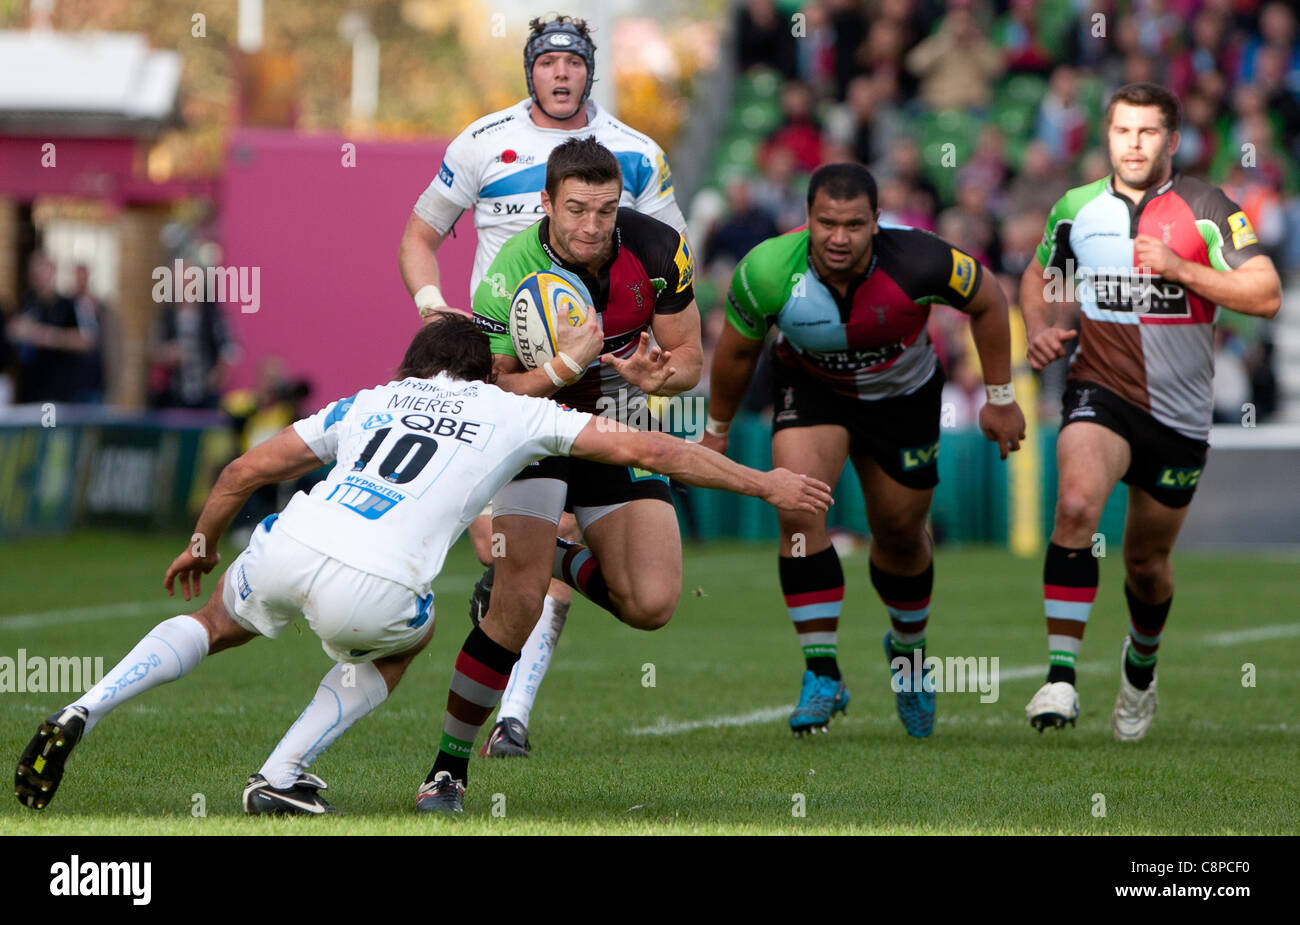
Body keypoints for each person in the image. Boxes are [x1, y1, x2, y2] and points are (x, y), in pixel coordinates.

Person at [15, 312, 830, 814]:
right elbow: (649, 445)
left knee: (214, 619)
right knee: (411, 639)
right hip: (375, 583)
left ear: (414, 365)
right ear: (482, 371)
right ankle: (280, 770)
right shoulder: (511, 408)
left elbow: (241, 473)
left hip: (295, 539)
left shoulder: (368, 398)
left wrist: (201, 540)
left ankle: (83, 706)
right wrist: (762, 482)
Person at [398, 14, 688, 756]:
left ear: (590, 71)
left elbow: (663, 266)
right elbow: (418, 236)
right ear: (530, 70)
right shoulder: (479, 142)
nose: (560, 75)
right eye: (547, 63)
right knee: (513, 576)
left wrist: (657, 365)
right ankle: (492, 731)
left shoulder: (638, 154)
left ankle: (515, 709)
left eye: (573, 64)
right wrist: (435, 309)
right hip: (505, 370)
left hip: (608, 378)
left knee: (646, 599)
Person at [416, 136, 705, 811]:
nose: (591, 226)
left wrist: (663, 373)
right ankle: (447, 770)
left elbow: (691, 354)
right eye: (576, 208)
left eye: (606, 210)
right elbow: (492, 386)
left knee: (652, 604)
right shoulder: (510, 267)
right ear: (546, 203)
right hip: (531, 426)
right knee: (515, 601)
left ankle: (560, 559)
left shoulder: (659, 246)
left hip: (616, 413)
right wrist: (560, 371)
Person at [701, 162, 1026, 739]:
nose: (838, 237)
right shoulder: (767, 270)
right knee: (798, 511)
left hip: (903, 399)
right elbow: (733, 356)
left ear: (877, 221)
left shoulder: (920, 258)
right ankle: (822, 671)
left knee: (900, 533)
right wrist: (718, 431)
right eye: (826, 222)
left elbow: (990, 299)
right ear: (806, 217)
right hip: (812, 391)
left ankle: (909, 657)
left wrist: (1000, 397)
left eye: (853, 224)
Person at [1020, 83, 1282, 741]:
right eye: (1121, 131)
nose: (1132, 144)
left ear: (1172, 140)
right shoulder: (1077, 207)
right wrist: (1039, 325)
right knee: (1077, 506)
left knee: (1145, 562)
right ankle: (1061, 676)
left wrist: (1181, 270)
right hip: (1099, 389)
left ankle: (1140, 669)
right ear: (1106, 136)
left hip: (1179, 416)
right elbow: (1039, 274)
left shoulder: (1208, 209)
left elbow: (1266, 292)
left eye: (1146, 133)